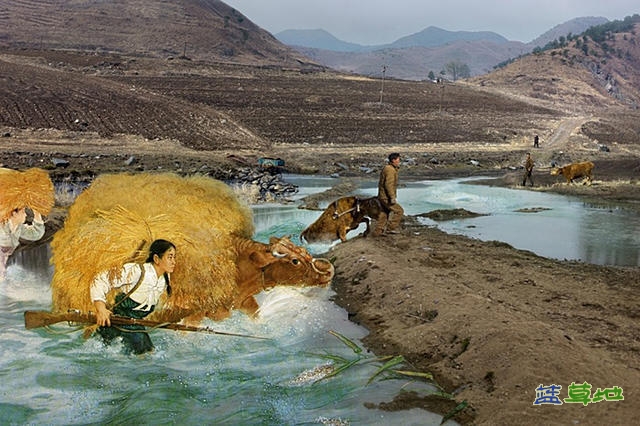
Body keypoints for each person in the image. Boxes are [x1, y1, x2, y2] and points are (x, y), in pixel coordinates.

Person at [90, 239, 176, 355]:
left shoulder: (164, 279)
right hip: (117, 322)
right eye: (170, 257)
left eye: (174, 257)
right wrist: (101, 309)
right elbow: (100, 280)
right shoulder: (136, 271)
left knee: (148, 353)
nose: (174, 262)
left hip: (135, 324)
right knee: (145, 356)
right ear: (156, 259)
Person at [0, 207, 45, 282]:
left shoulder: (18, 227)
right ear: (14, 214)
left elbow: (36, 234)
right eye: (23, 212)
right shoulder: (2, 225)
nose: (26, 215)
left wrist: (37, 214)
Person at [373, 152, 404, 236]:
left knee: (384, 213)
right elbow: (388, 185)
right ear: (393, 160)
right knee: (399, 211)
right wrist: (392, 197)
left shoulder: (389, 168)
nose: (399, 161)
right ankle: (390, 228)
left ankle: (378, 232)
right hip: (386, 197)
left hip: (382, 196)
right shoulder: (390, 170)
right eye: (398, 159)